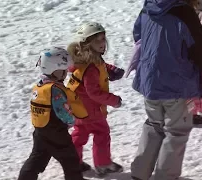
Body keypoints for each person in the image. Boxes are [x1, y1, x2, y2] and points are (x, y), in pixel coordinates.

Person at [130, 0, 202, 180]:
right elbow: (201, 50)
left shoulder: (148, 8)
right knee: (176, 131)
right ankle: (166, 177)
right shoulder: (184, 13)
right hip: (177, 85)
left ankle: (139, 174)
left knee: (154, 124)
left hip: (150, 80)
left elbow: (138, 36)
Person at [18, 47, 88, 180]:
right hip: (56, 133)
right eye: (63, 70)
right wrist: (71, 121)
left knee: (36, 159)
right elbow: (63, 111)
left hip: (40, 131)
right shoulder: (55, 90)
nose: (66, 72)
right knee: (70, 159)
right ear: (54, 70)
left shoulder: (40, 86)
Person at [66, 22, 124, 177]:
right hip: (92, 110)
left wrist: (111, 70)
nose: (102, 43)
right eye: (97, 40)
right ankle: (103, 164)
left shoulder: (87, 60)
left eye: (103, 39)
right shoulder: (91, 68)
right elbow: (94, 92)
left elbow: (100, 65)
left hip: (78, 108)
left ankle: (73, 162)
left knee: (79, 135)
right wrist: (114, 100)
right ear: (86, 44)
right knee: (102, 134)